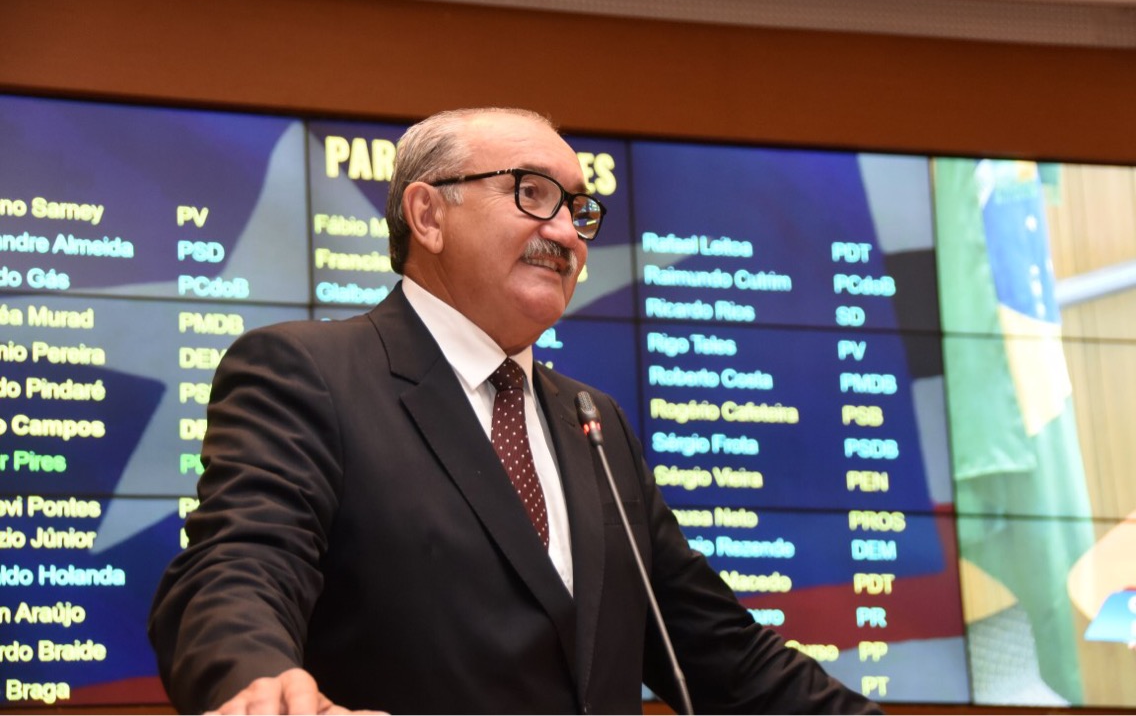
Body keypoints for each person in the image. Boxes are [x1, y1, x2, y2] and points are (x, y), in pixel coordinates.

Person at [148, 107, 880, 715]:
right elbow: (238, 565)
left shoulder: (595, 424)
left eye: (580, 210)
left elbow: (728, 657)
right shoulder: (311, 374)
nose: (567, 233)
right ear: (427, 214)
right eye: (532, 193)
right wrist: (255, 682)